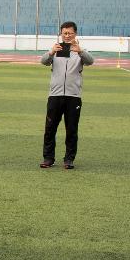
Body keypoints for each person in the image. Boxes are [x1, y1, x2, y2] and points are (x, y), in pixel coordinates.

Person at [39, 21, 94, 169]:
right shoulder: (56, 50)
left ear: (75, 34)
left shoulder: (80, 51)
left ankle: (69, 159)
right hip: (55, 95)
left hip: (73, 96)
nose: (67, 35)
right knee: (50, 128)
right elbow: (43, 61)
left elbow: (91, 61)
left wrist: (80, 51)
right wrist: (51, 52)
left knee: (71, 129)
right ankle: (48, 158)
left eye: (70, 33)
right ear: (61, 34)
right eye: (65, 33)